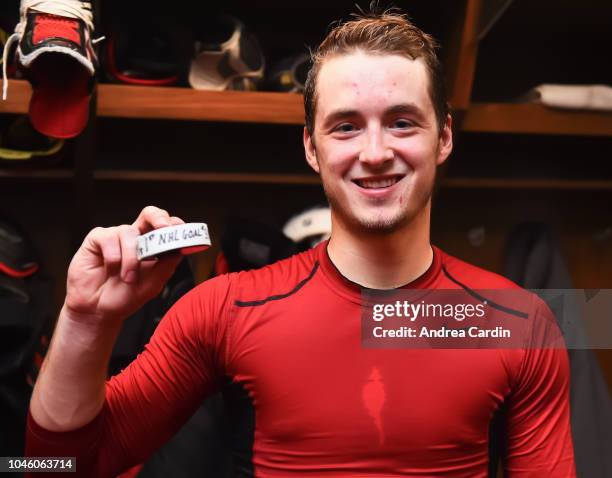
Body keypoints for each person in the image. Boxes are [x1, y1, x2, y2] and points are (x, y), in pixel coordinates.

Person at [25, 10, 576, 477]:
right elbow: (58, 466)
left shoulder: (520, 323)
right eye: (346, 127)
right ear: (312, 147)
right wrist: (84, 319)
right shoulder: (224, 309)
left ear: (445, 137)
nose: (376, 151)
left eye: (403, 122)